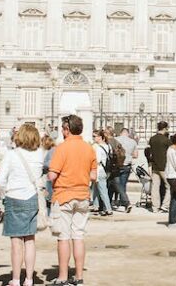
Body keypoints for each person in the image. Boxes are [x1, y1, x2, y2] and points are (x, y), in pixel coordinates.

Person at [47, 115, 97, 286]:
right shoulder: (89, 148)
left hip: (64, 196)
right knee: (78, 236)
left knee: (63, 237)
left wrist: (51, 178)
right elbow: (93, 176)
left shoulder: (61, 148)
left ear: (67, 129)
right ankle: (79, 276)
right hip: (83, 195)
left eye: (62, 128)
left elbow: (52, 174)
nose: (61, 131)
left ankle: (62, 276)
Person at [0, 124, 44, 286]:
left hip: (14, 197)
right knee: (30, 239)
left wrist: (3, 196)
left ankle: (16, 279)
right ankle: (29, 279)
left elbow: (0, 181)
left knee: (16, 242)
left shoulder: (11, 155)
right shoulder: (39, 155)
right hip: (31, 197)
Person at [148, 121, 172, 213]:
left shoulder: (152, 139)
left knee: (155, 187)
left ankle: (155, 207)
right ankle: (165, 205)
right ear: (165, 128)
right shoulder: (166, 140)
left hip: (155, 166)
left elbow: (149, 152)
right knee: (169, 186)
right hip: (164, 166)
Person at [90, 130, 115, 216]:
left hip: (99, 170)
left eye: (94, 136)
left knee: (102, 190)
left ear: (100, 137)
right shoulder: (108, 146)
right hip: (105, 170)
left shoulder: (98, 148)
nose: (93, 138)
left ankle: (108, 208)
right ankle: (96, 206)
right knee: (96, 189)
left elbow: (97, 160)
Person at [114, 127, 139, 210]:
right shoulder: (133, 142)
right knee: (123, 184)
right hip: (127, 165)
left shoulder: (115, 140)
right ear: (128, 133)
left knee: (115, 183)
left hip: (117, 165)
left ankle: (119, 200)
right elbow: (135, 155)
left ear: (120, 133)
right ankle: (123, 201)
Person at [40, 134, 56, 208]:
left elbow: (50, 163)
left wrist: (42, 165)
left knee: (48, 200)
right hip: (50, 177)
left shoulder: (51, 150)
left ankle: (49, 217)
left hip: (50, 177)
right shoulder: (53, 149)